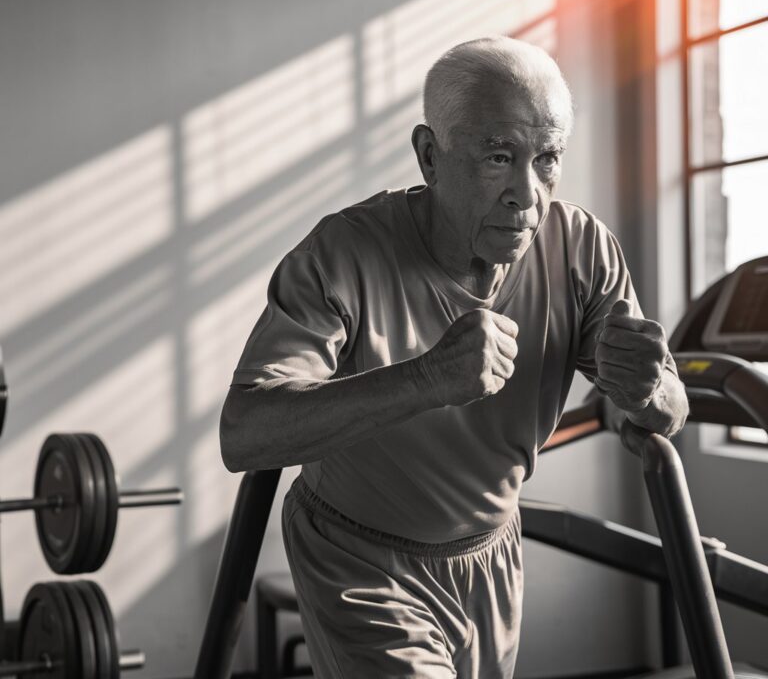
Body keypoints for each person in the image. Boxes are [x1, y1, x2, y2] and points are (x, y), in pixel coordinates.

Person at [220, 36, 689, 678]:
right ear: (429, 157)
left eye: (546, 159)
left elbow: (665, 412)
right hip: (359, 559)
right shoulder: (343, 254)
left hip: (491, 556)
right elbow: (244, 433)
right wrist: (426, 379)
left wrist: (649, 392)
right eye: (499, 157)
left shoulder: (581, 249)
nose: (526, 194)